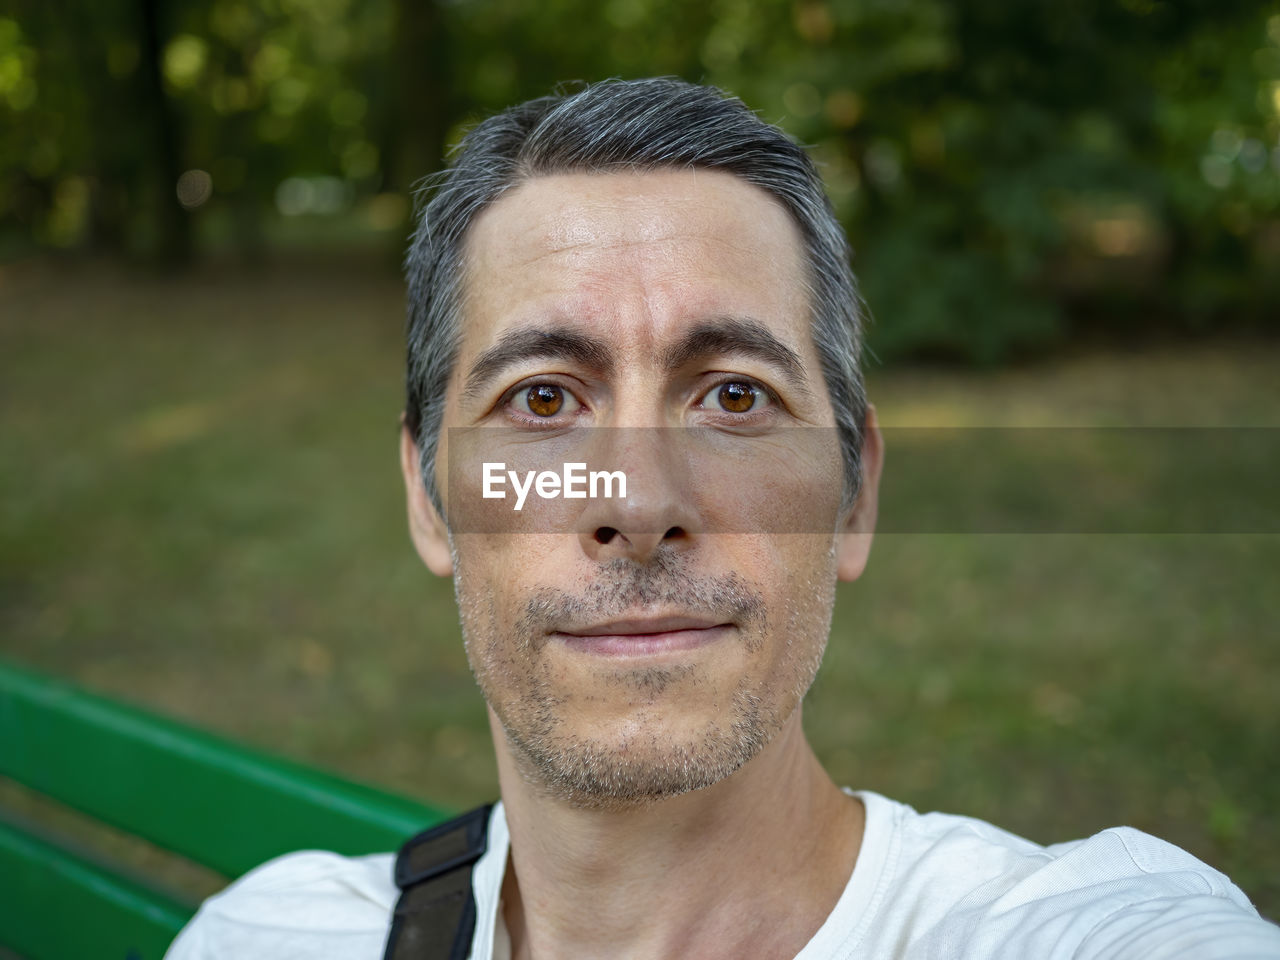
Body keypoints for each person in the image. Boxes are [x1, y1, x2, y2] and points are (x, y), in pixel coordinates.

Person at [165, 78, 1279, 960]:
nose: (638, 503)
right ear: (427, 498)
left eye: (734, 395)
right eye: (542, 399)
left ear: (853, 494)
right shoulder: (268, 935)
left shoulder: (1059, 930)